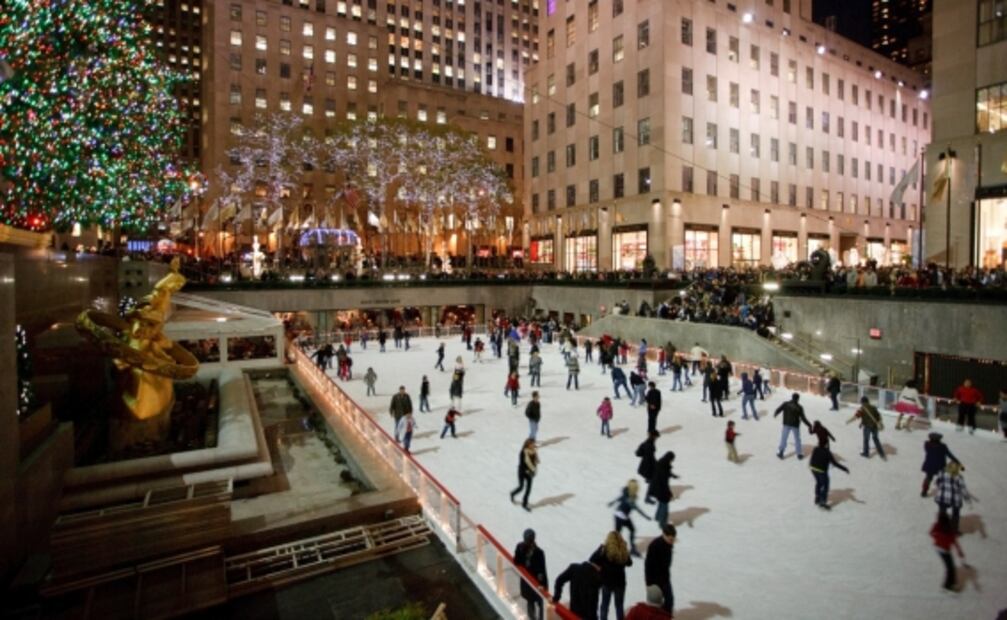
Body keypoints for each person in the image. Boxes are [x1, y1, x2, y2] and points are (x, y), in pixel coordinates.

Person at [590, 532, 633, 620]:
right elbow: (629, 563)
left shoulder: (604, 549)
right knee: (619, 606)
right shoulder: (623, 550)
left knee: (605, 605)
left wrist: (600, 567)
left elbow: (592, 559)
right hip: (620, 583)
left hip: (606, 582)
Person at [608, 480, 651, 556]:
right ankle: (614, 550)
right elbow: (637, 509)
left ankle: (632, 549)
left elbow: (620, 498)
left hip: (623, 516)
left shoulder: (627, 492)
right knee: (618, 534)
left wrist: (612, 502)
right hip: (619, 517)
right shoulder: (629, 499)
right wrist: (646, 516)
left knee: (631, 530)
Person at [514, 529, 548, 620]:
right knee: (532, 601)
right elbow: (516, 561)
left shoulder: (538, 552)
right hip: (529, 581)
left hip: (533, 582)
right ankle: (533, 618)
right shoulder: (522, 548)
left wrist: (543, 585)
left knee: (536, 602)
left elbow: (542, 570)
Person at [644, 524, 677, 615]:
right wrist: (648, 584)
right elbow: (648, 566)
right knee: (654, 605)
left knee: (669, 601)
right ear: (664, 535)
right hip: (654, 582)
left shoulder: (668, 545)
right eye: (670, 539)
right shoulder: (654, 546)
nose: (672, 541)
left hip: (665, 579)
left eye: (673, 539)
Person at [930, 512, 965, 592]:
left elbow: (931, 533)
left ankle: (951, 583)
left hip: (939, 548)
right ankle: (948, 585)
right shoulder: (948, 531)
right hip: (943, 550)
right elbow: (954, 542)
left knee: (950, 567)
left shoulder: (938, 526)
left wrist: (937, 536)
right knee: (950, 567)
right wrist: (959, 551)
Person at [934, 462, 971, 533]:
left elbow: (937, 483)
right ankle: (954, 529)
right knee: (956, 512)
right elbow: (963, 490)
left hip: (942, 497)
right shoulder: (959, 478)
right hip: (954, 499)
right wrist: (967, 499)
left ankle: (941, 527)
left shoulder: (941, 474)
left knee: (942, 512)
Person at [809, 443, 849, 509]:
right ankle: (822, 501)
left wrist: (812, 465)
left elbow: (812, 458)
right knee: (825, 485)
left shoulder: (816, 448)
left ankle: (817, 497)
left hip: (813, 469)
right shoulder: (827, 452)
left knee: (818, 483)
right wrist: (844, 469)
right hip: (821, 470)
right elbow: (835, 463)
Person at [921, 432, 961, 497]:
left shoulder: (927, 445)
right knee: (943, 477)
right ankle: (939, 487)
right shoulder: (943, 446)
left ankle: (924, 491)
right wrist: (957, 462)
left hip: (929, 464)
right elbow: (949, 455)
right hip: (940, 466)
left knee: (928, 477)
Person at [775, 393, 813, 459]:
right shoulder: (799, 407)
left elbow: (779, 409)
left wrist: (776, 413)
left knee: (784, 438)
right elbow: (803, 418)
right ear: (798, 399)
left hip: (786, 424)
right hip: (795, 425)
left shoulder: (786, 404)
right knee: (797, 439)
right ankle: (799, 454)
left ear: (792, 397)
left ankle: (781, 452)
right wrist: (809, 424)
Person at [649, 451, 679, 527]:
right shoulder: (665, 467)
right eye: (672, 459)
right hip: (661, 489)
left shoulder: (661, 463)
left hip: (656, 488)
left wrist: (672, 475)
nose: (672, 461)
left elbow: (665, 473)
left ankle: (657, 517)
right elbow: (664, 483)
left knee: (661, 503)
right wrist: (669, 492)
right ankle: (662, 524)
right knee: (665, 507)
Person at [510, 439, 539, 511]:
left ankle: (524, 504)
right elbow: (522, 463)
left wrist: (536, 457)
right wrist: (527, 470)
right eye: (532, 444)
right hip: (522, 472)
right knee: (521, 487)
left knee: (528, 489)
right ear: (528, 444)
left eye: (534, 444)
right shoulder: (523, 452)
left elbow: (536, 463)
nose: (533, 445)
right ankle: (512, 494)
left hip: (530, 472)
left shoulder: (534, 451)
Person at [635, 432, 659, 504]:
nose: (656, 439)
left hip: (645, 465)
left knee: (651, 481)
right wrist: (657, 464)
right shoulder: (650, 445)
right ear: (654, 437)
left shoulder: (645, 443)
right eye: (656, 437)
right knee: (652, 482)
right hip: (649, 466)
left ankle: (648, 480)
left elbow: (638, 453)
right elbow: (651, 458)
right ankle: (647, 498)